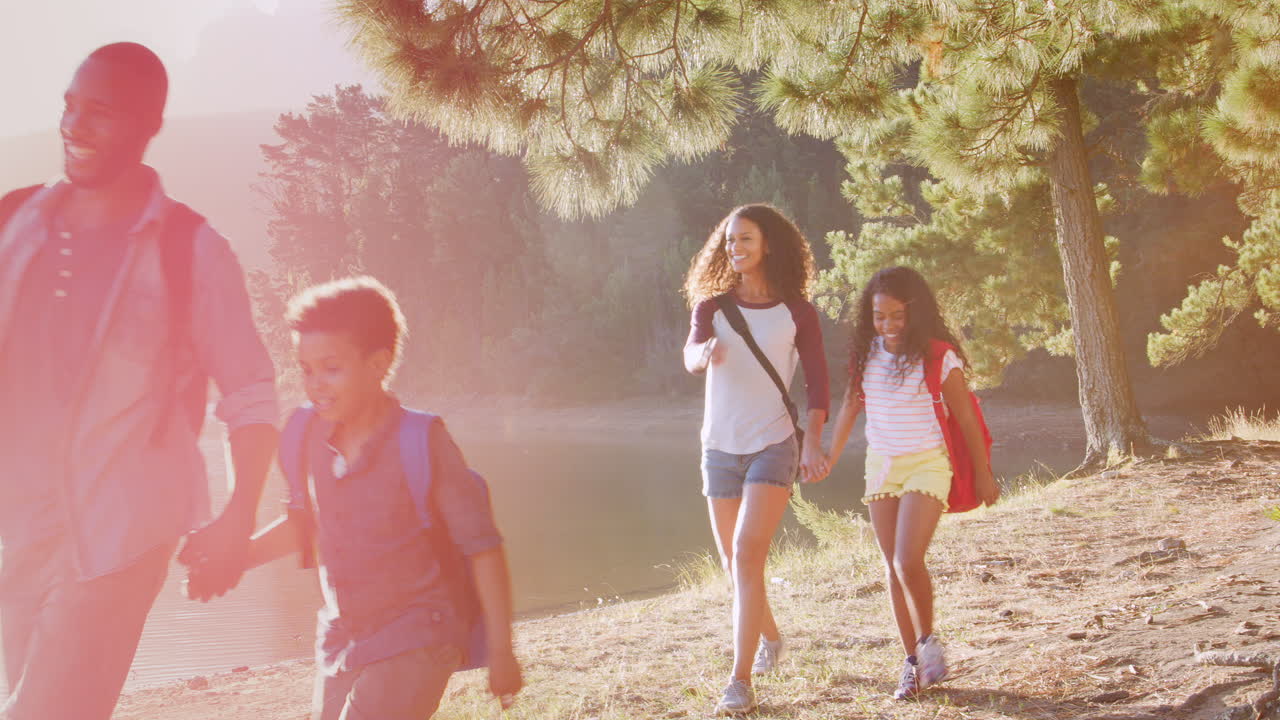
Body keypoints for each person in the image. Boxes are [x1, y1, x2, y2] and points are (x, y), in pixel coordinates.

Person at [0, 42, 278, 719]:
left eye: (101, 112)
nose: (75, 126)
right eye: (69, 106)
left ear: (149, 124)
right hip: (18, 525)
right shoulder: (12, 221)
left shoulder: (193, 251)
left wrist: (239, 514)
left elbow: (250, 395)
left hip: (121, 533)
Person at [226, 276, 522, 720]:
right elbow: (309, 526)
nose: (315, 384)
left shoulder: (422, 442)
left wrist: (502, 651)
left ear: (378, 364)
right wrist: (237, 558)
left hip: (421, 630)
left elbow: (482, 548)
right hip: (344, 632)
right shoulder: (307, 434)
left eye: (331, 368)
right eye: (305, 369)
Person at [825, 266, 999, 700]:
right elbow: (849, 406)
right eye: (879, 316)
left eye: (897, 316)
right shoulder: (866, 352)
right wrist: (827, 456)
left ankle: (928, 641)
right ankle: (912, 665)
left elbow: (968, 422)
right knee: (890, 566)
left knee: (907, 560)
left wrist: (983, 473)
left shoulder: (940, 356)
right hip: (882, 465)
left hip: (928, 464)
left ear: (915, 312)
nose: (888, 325)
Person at [682, 204, 830, 715]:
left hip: (774, 442)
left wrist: (813, 441)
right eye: (729, 241)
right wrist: (702, 356)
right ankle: (770, 638)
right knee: (733, 563)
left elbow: (818, 380)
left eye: (745, 239)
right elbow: (691, 352)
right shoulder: (712, 307)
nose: (735, 249)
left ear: (769, 244)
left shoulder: (798, 312)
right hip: (719, 448)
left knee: (747, 553)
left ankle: (739, 681)